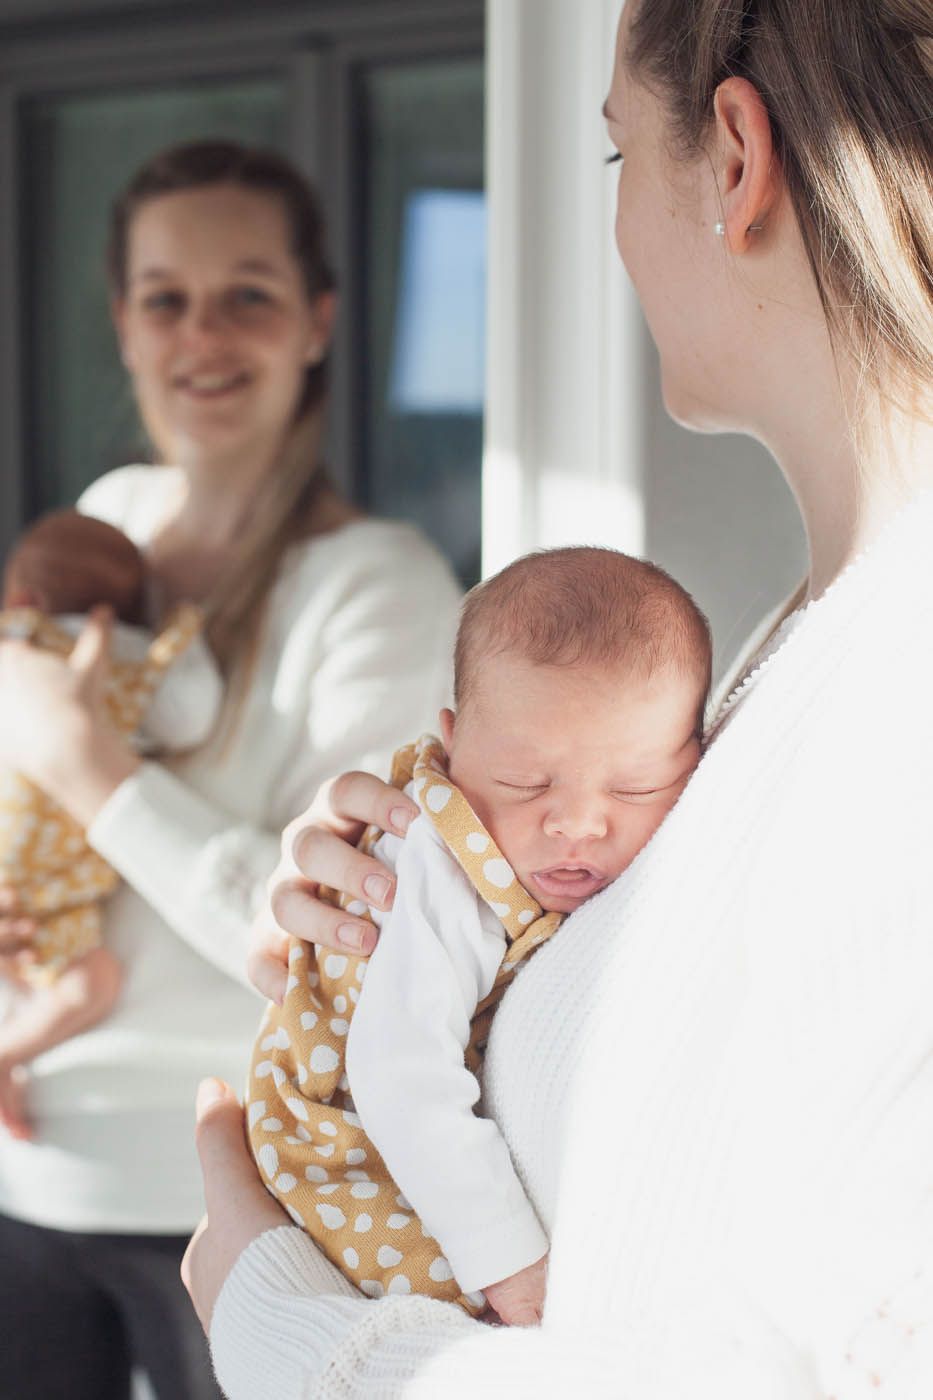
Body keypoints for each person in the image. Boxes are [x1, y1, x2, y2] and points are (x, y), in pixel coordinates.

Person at [185, 2, 933, 1395]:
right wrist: (419, 923)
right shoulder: (792, 650)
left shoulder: (900, 698)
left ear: (730, 157)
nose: (615, 234)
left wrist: (284, 1318)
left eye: (612, 161)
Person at [0, 140, 460, 1400]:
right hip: (23, 1172)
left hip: (229, 1202)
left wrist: (87, 765)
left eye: (248, 292)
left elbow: (320, 940)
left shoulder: (380, 587)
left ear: (315, 321)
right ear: (125, 324)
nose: (203, 333)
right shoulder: (108, 521)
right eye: (166, 297)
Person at [246, 546, 711, 1324]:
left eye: (636, 786)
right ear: (454, 745)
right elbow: (400, 1072)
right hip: (338, 1141)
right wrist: (513, 1267)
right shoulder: (445, 860)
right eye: (526, 783)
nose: (576, 823)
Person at [0, 509, 222, 1137]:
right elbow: (192, 718)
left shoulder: (12, 643)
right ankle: (9, 1051)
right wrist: (182, 631)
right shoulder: (127, 670)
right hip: (58, 878)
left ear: (22, 597)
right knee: (90, 982)